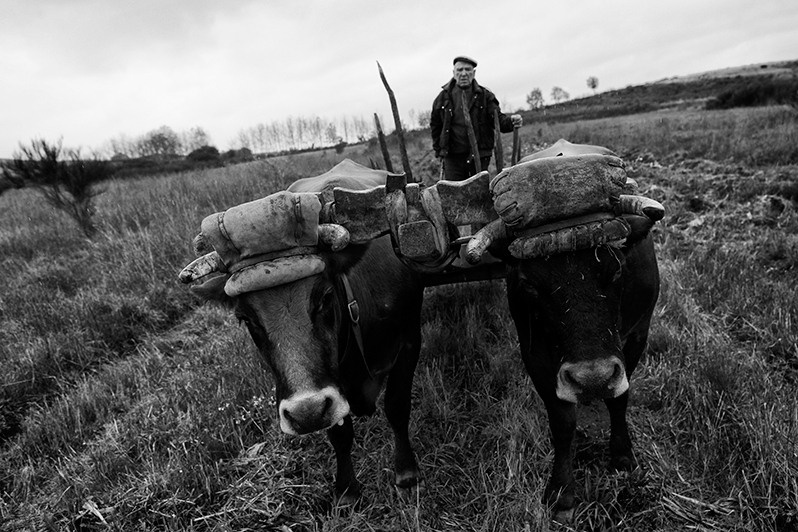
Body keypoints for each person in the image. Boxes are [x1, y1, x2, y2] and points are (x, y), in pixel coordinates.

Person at [431, 55, 522, 181]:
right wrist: (439, 150)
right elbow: (435, 126)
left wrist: (512, 122)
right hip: (453, 157)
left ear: (474, 73)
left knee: (478, 193)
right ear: (454, 73)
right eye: (459, 70)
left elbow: (498, 120)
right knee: (454, 194)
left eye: (467, 70)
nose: (463, 74)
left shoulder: (485, 96)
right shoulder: (442, 98)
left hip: (479, 155)